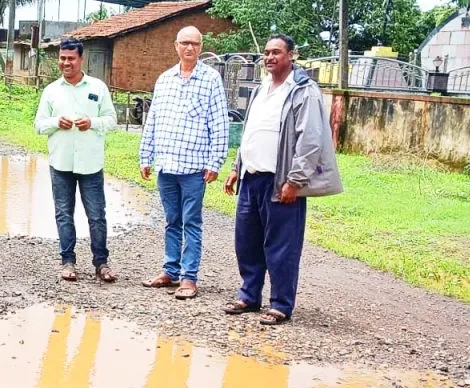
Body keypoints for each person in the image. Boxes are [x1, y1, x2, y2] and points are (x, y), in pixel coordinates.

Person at [224, 33, 342, 325]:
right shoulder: (260, 89)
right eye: (266, 52)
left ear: (291, 55)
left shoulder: (303, 91)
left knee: (281, 246)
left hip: (281, 182)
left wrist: (295, 181)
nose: (269, 57)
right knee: (247, 242)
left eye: (276, 52)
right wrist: (237, 167)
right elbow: (250, 131)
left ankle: (280, 304)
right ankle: (249, 296)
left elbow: (311, 140)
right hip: (251, 179)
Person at [139, 25, 229, 299]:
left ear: (201, 48)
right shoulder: (164, 79)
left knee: (191, 221)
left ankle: (189, 278)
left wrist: (215, 162)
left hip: (194, 167)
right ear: (175, 45)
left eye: (195, 44)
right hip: (166, 166)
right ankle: (170, 270)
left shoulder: (211, 79)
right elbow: (152, 119)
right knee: (171, 220)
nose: (190, 48)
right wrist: (146, 155)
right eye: (185, 43)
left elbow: (220, 123)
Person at [34, 38, 119, 283]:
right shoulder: (51, 91)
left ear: (81, 59)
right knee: (63, 213)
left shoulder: (98, 87)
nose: (66, 63)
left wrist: (92, 123)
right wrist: (55, 122)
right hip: (61, 163)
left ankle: (101, 263)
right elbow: (39, 125)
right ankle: (68, 261)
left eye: (71, 58)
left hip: (91, 164)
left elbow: (111, 119)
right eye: (62, 58)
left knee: (96, 215)